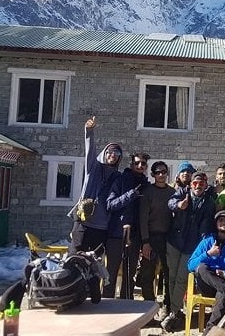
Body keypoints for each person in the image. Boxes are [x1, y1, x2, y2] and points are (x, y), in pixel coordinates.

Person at [161, 172, 217, 332]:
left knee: (181, 278)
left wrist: (203, 245)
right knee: (171, 276)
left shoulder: (209, 202)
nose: (198, 186)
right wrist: (179, 205)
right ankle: (173, 308)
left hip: (192, 245)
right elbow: (171, 202)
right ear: (191, 184)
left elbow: (206, 225)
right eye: (195, 183)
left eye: (202, 184)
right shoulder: (182, 192)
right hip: (174, 240)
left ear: (206, 185)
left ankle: (173, 312)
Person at [69, 116, 123, 254]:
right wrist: (89, 131)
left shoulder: (118, 177)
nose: (112, 155)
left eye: (116, 153)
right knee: (74, 259)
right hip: (83, 223)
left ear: (119, 157)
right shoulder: (93, 167)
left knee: (94, 262)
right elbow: (90, 150)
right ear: (104, 153)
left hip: (102, 227)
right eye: (109, 152)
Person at [104, 152, 150, 298]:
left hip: (135, 237)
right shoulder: (120, 180)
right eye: (137, 163)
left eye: (143, 163)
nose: (140, 166)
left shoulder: (146, 185)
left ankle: (127, 304)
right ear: (131, 164)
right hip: (116, 234)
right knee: (111, 273)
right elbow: (110, 204)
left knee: (129, 275)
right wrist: (131, 194)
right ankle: (106, 304)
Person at [136, 160, 175, 319]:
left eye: (164, 172)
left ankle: (167, 306)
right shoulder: (148, 192)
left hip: (167, 238)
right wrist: (145, 242)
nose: (161, 175)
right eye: (158, 172)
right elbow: (143, 218)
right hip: (151, 237)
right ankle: (149, 309)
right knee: (147, 274)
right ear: (153, 175)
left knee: (168, 274)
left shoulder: (172, 192)